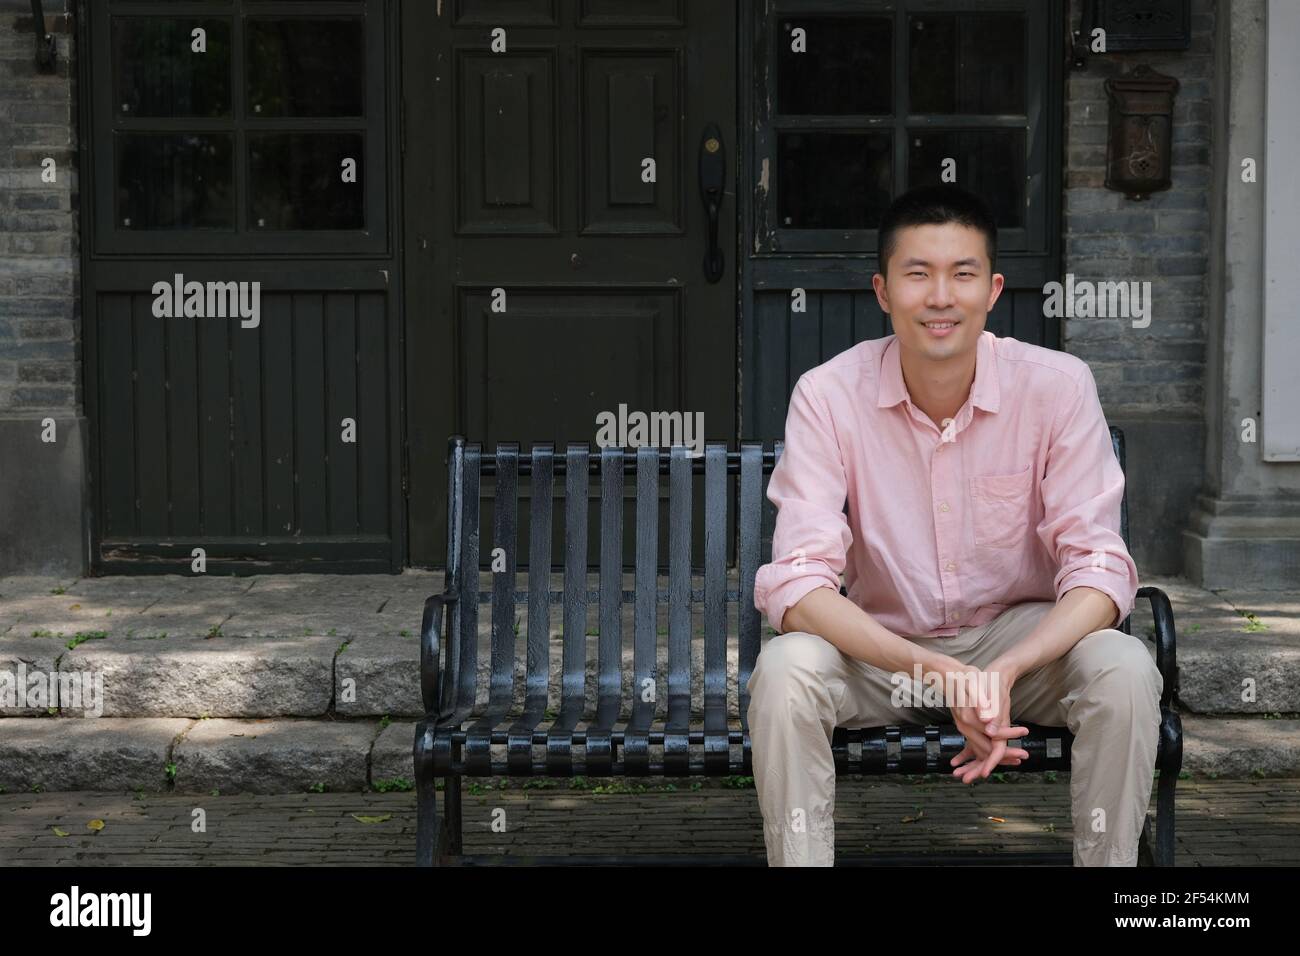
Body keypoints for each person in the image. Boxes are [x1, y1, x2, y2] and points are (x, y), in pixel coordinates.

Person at [748, 183, 1162, 866]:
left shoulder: (1057, 387)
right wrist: (933, 669)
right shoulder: (828, 395)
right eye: (918, 274)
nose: (940, 297)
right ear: (882, 291)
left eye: (962, 274)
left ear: (992, 289)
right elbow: (798, 584)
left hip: (1019, 648)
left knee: (1121, 665)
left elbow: (1099, 569)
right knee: (786, 667)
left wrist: (1004, 668)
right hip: (885, 651)